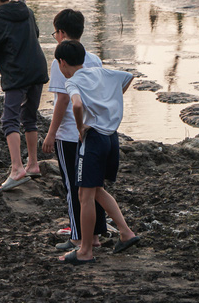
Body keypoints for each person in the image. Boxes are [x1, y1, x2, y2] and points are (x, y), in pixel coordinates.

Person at [53, 40, 140, 265]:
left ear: (62, 63)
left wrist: (81, 127)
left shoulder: (72, 82)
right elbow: (128, 77)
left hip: (94, 140)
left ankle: (85, 250)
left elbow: (77, 105)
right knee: (97, 190)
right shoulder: (101, 72)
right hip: (112, 138)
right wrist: (109, 102)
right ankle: (126, 232)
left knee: (85, 196)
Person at [42, 9, 107, 251]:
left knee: (73, 186)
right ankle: (96, 235)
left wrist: (51, 134)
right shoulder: (94, 59)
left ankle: (78, 237)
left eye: (55, 32)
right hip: (92, 129)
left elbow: (62, 101)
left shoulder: (59, 62)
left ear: (61, 33)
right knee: (93, 185)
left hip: (70, 133)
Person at [0, 0, 49, 191]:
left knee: (9, 121)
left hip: (17, 75)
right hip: (37, 70)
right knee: (29, 117)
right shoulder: (26, 11)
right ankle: (33, 164)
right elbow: (35, 34)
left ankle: (17, 169)